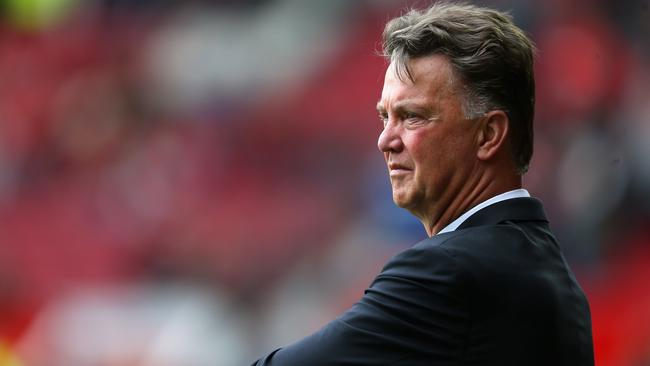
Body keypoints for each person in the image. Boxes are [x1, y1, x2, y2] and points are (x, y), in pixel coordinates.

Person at [251, 2, 594, 365]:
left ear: (488, 135)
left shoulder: (451, 271)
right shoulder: (558, 279)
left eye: (412, 117)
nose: (385, 140)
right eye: (385, 117)